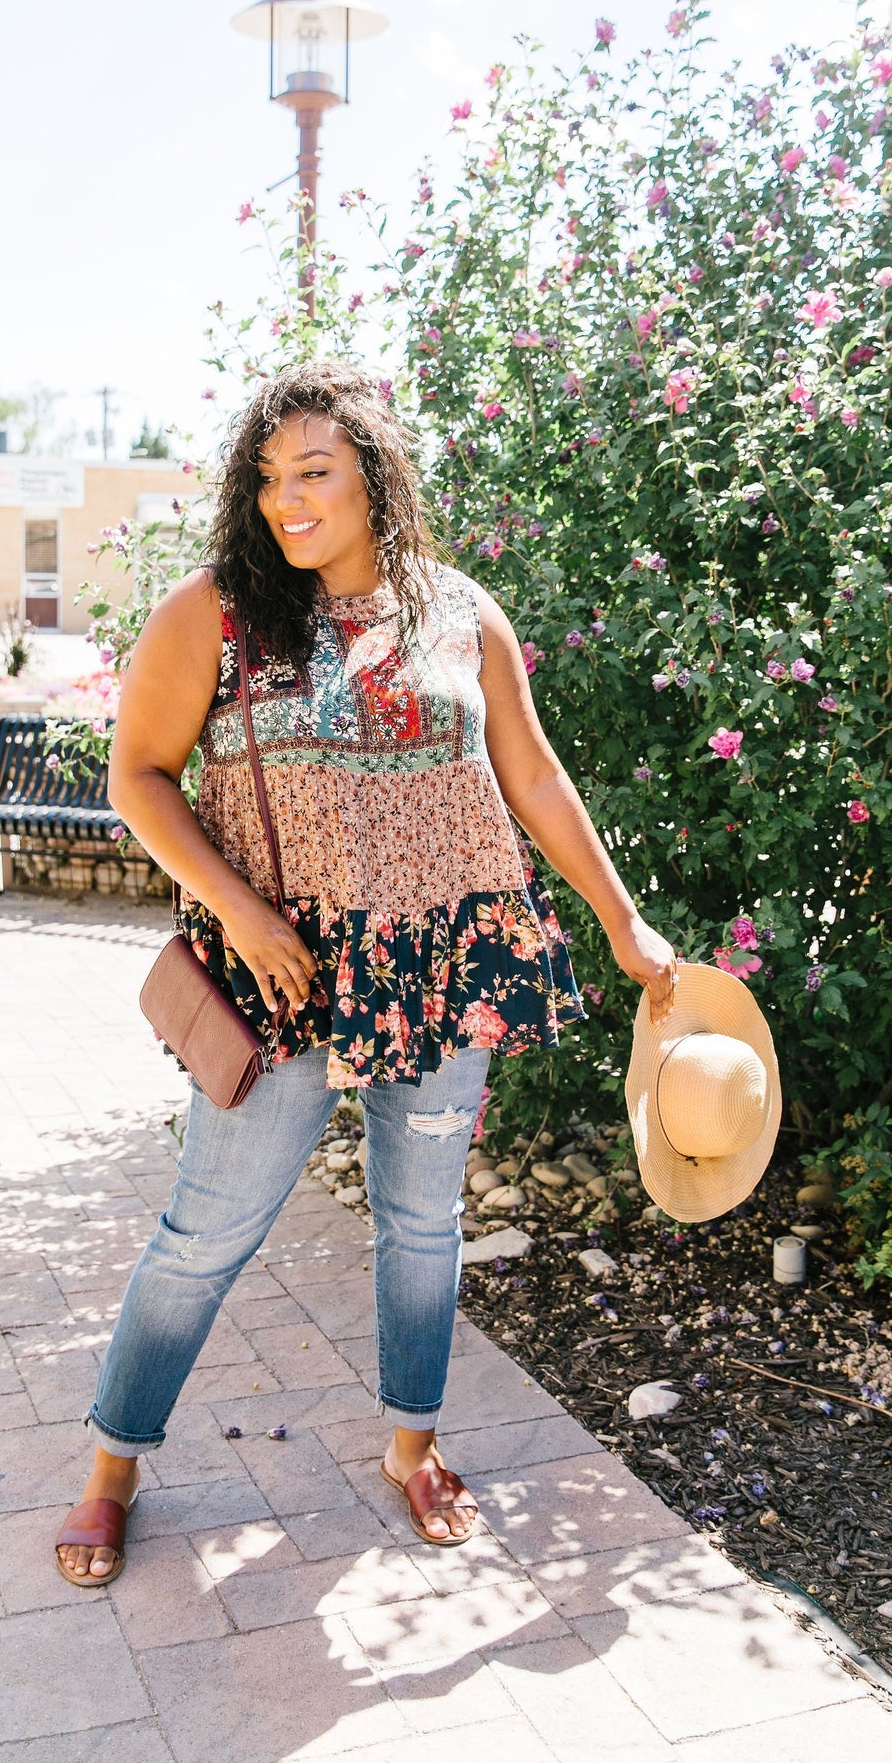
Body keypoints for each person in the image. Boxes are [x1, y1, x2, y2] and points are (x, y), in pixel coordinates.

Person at [55, 360, 677, 1585]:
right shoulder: (214, 615)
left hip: (445, 964)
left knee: (421, 1223)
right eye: (268, 479)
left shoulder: (458, 613)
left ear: (373, 477)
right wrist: (241, 916)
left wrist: (622, 921)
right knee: (204, 1233)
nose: (287, 501)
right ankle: (112, 1469)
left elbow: (533, 778)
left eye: (315, 474)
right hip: (282, 979)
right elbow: (137, 776)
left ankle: (411, 1448)